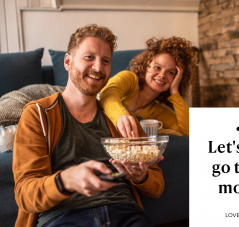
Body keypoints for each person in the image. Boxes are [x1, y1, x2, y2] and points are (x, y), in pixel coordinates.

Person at [12, 24, 164, 227]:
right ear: (68, 61)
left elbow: (157, 185)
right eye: (89, 57)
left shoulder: (123, 120)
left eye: (105, 61)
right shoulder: (38, 114)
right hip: (63, 216)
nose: (98, 68)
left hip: (123, 211)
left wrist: (141, 175)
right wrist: (66, 180)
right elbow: (25, 194)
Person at [99, 36, 196, 138]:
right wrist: (121, 116)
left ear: (177, 78)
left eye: (170, 72)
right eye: (157, 67)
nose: (162, 75)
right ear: (146, 65)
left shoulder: (160, 111)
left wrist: (175, 92)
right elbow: (107, 93)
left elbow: (187, 133)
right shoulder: (129, 79)